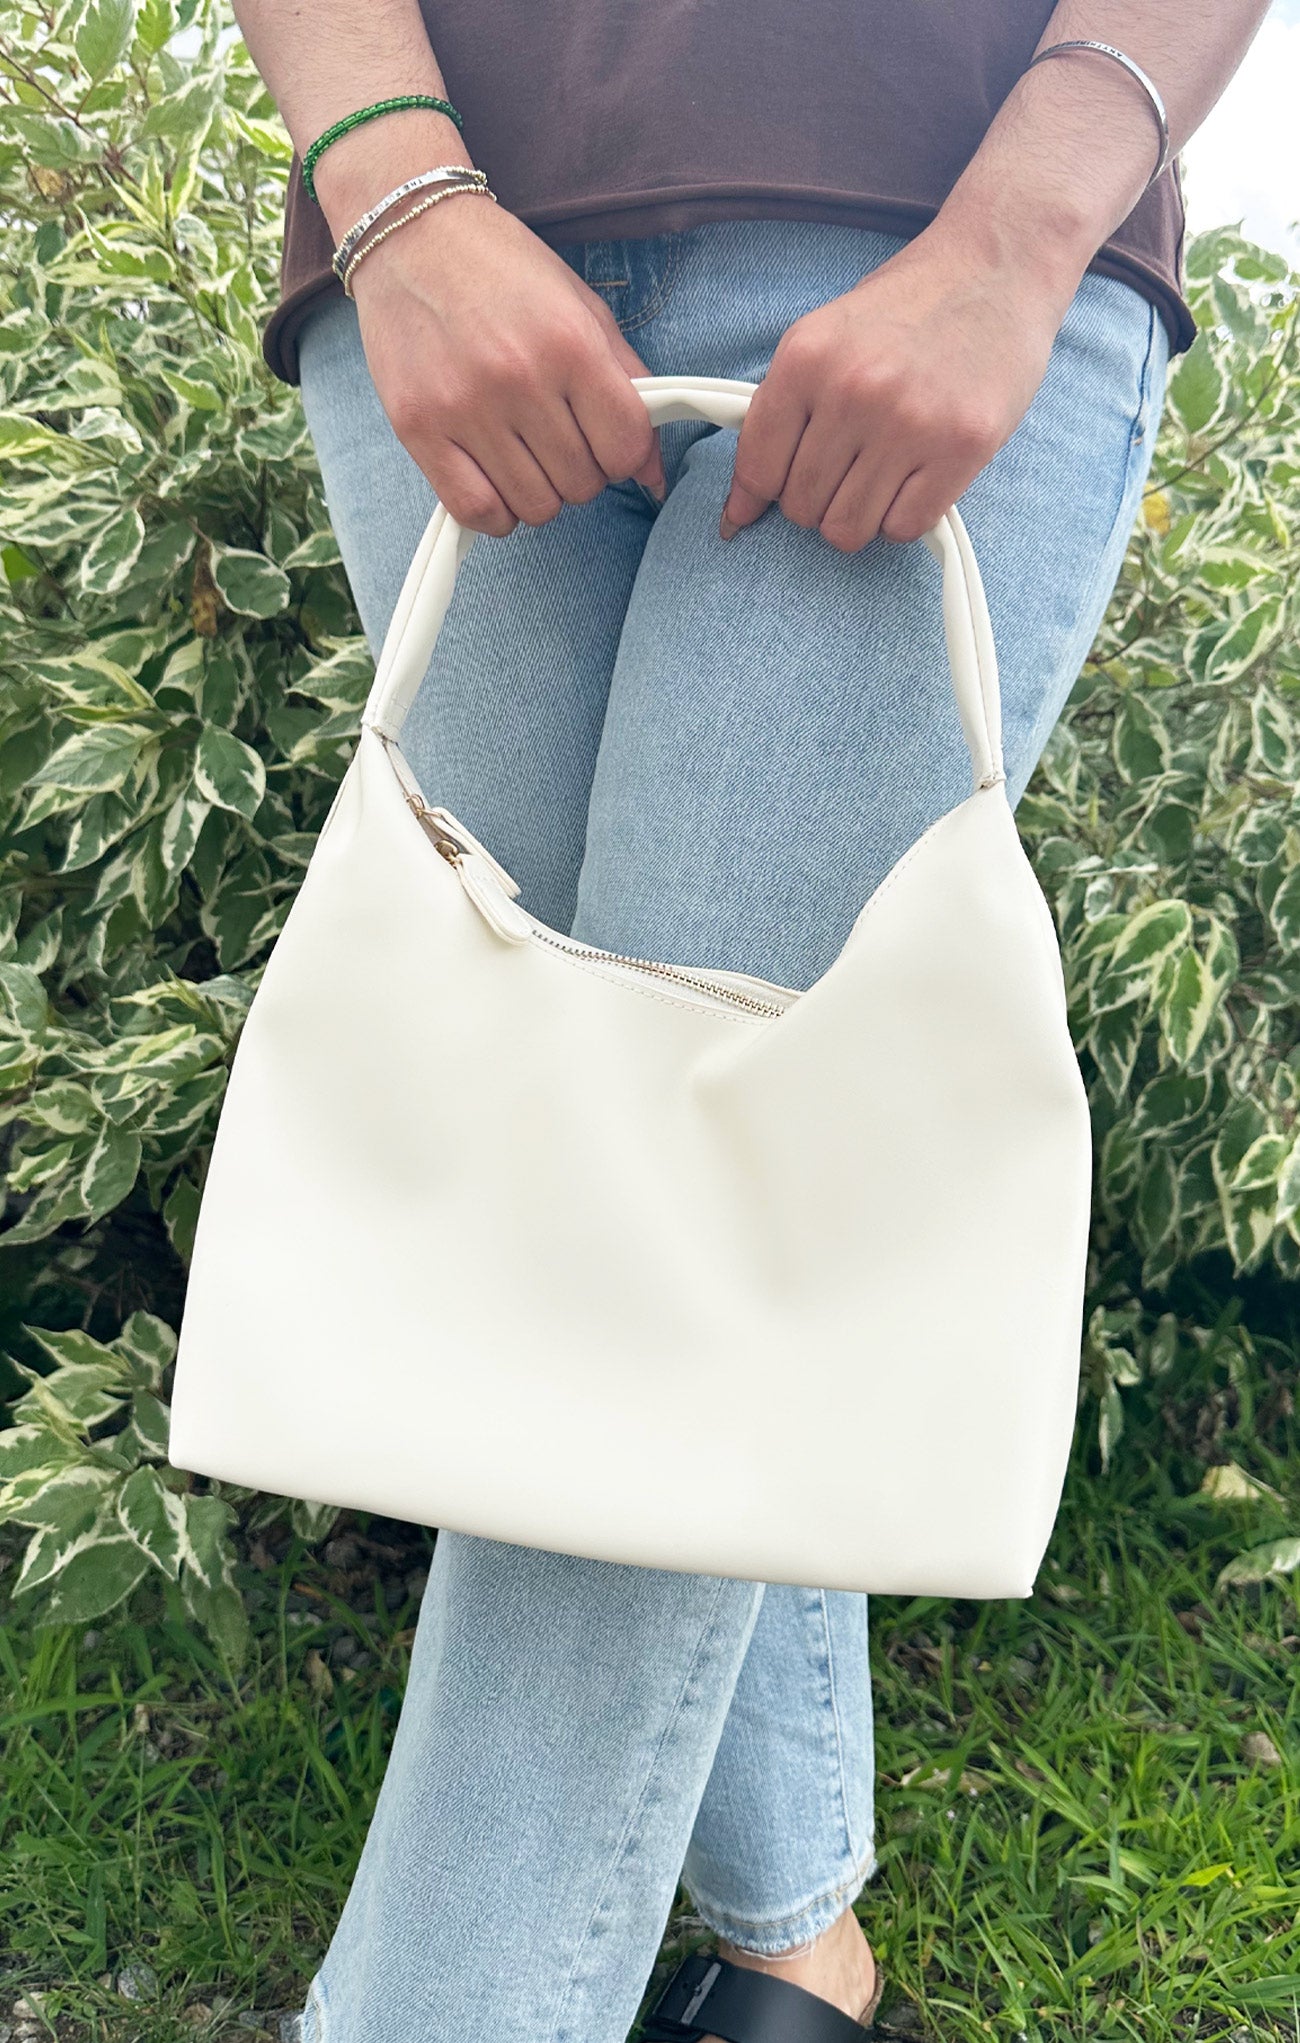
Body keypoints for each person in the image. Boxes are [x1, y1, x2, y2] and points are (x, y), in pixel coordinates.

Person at [232, 5, 1267, 2038]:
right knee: (633, 1189)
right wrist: (392, 185)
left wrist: (1019, 223)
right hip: (434, 245)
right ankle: (796, 1949)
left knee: (640, 1262)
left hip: (920, 206)